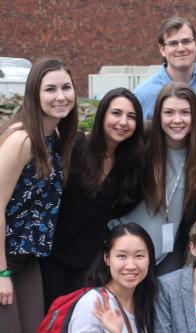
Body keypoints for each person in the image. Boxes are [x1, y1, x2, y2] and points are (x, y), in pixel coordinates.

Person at [39, 88, 145, 309]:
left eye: (131, 116)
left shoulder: (130, 165)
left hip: (89, 263)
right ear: (103, 115)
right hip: (51, 257)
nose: (123, 122)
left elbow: (123, 206)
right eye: (116, 113)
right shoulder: (74, 146)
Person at [0, 57, 78, 332]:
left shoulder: (54, 135)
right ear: (35, 93)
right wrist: (1, 273)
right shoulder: (22, 140)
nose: (61, 96)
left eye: (66, 88)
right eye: (50, 89)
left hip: (27, 258)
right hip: (3, 259)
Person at [113, 82, 196, 275]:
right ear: (158, 115)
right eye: (169, 112)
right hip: (125, 246)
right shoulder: (141, 141)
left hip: (170, 252)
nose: (177, 120)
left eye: (185, 112)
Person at [134, 16, 196, 122]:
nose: (181, 48)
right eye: (173, 43)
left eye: (186, 41)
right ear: (162, 50)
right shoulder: (143, 95)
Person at [67, 223, 156, 333]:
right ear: (107, 258)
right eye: (121, 256)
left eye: (139, 256)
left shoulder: (147, 302)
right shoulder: (93, 304)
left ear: (149, 258)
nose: (131, 266)